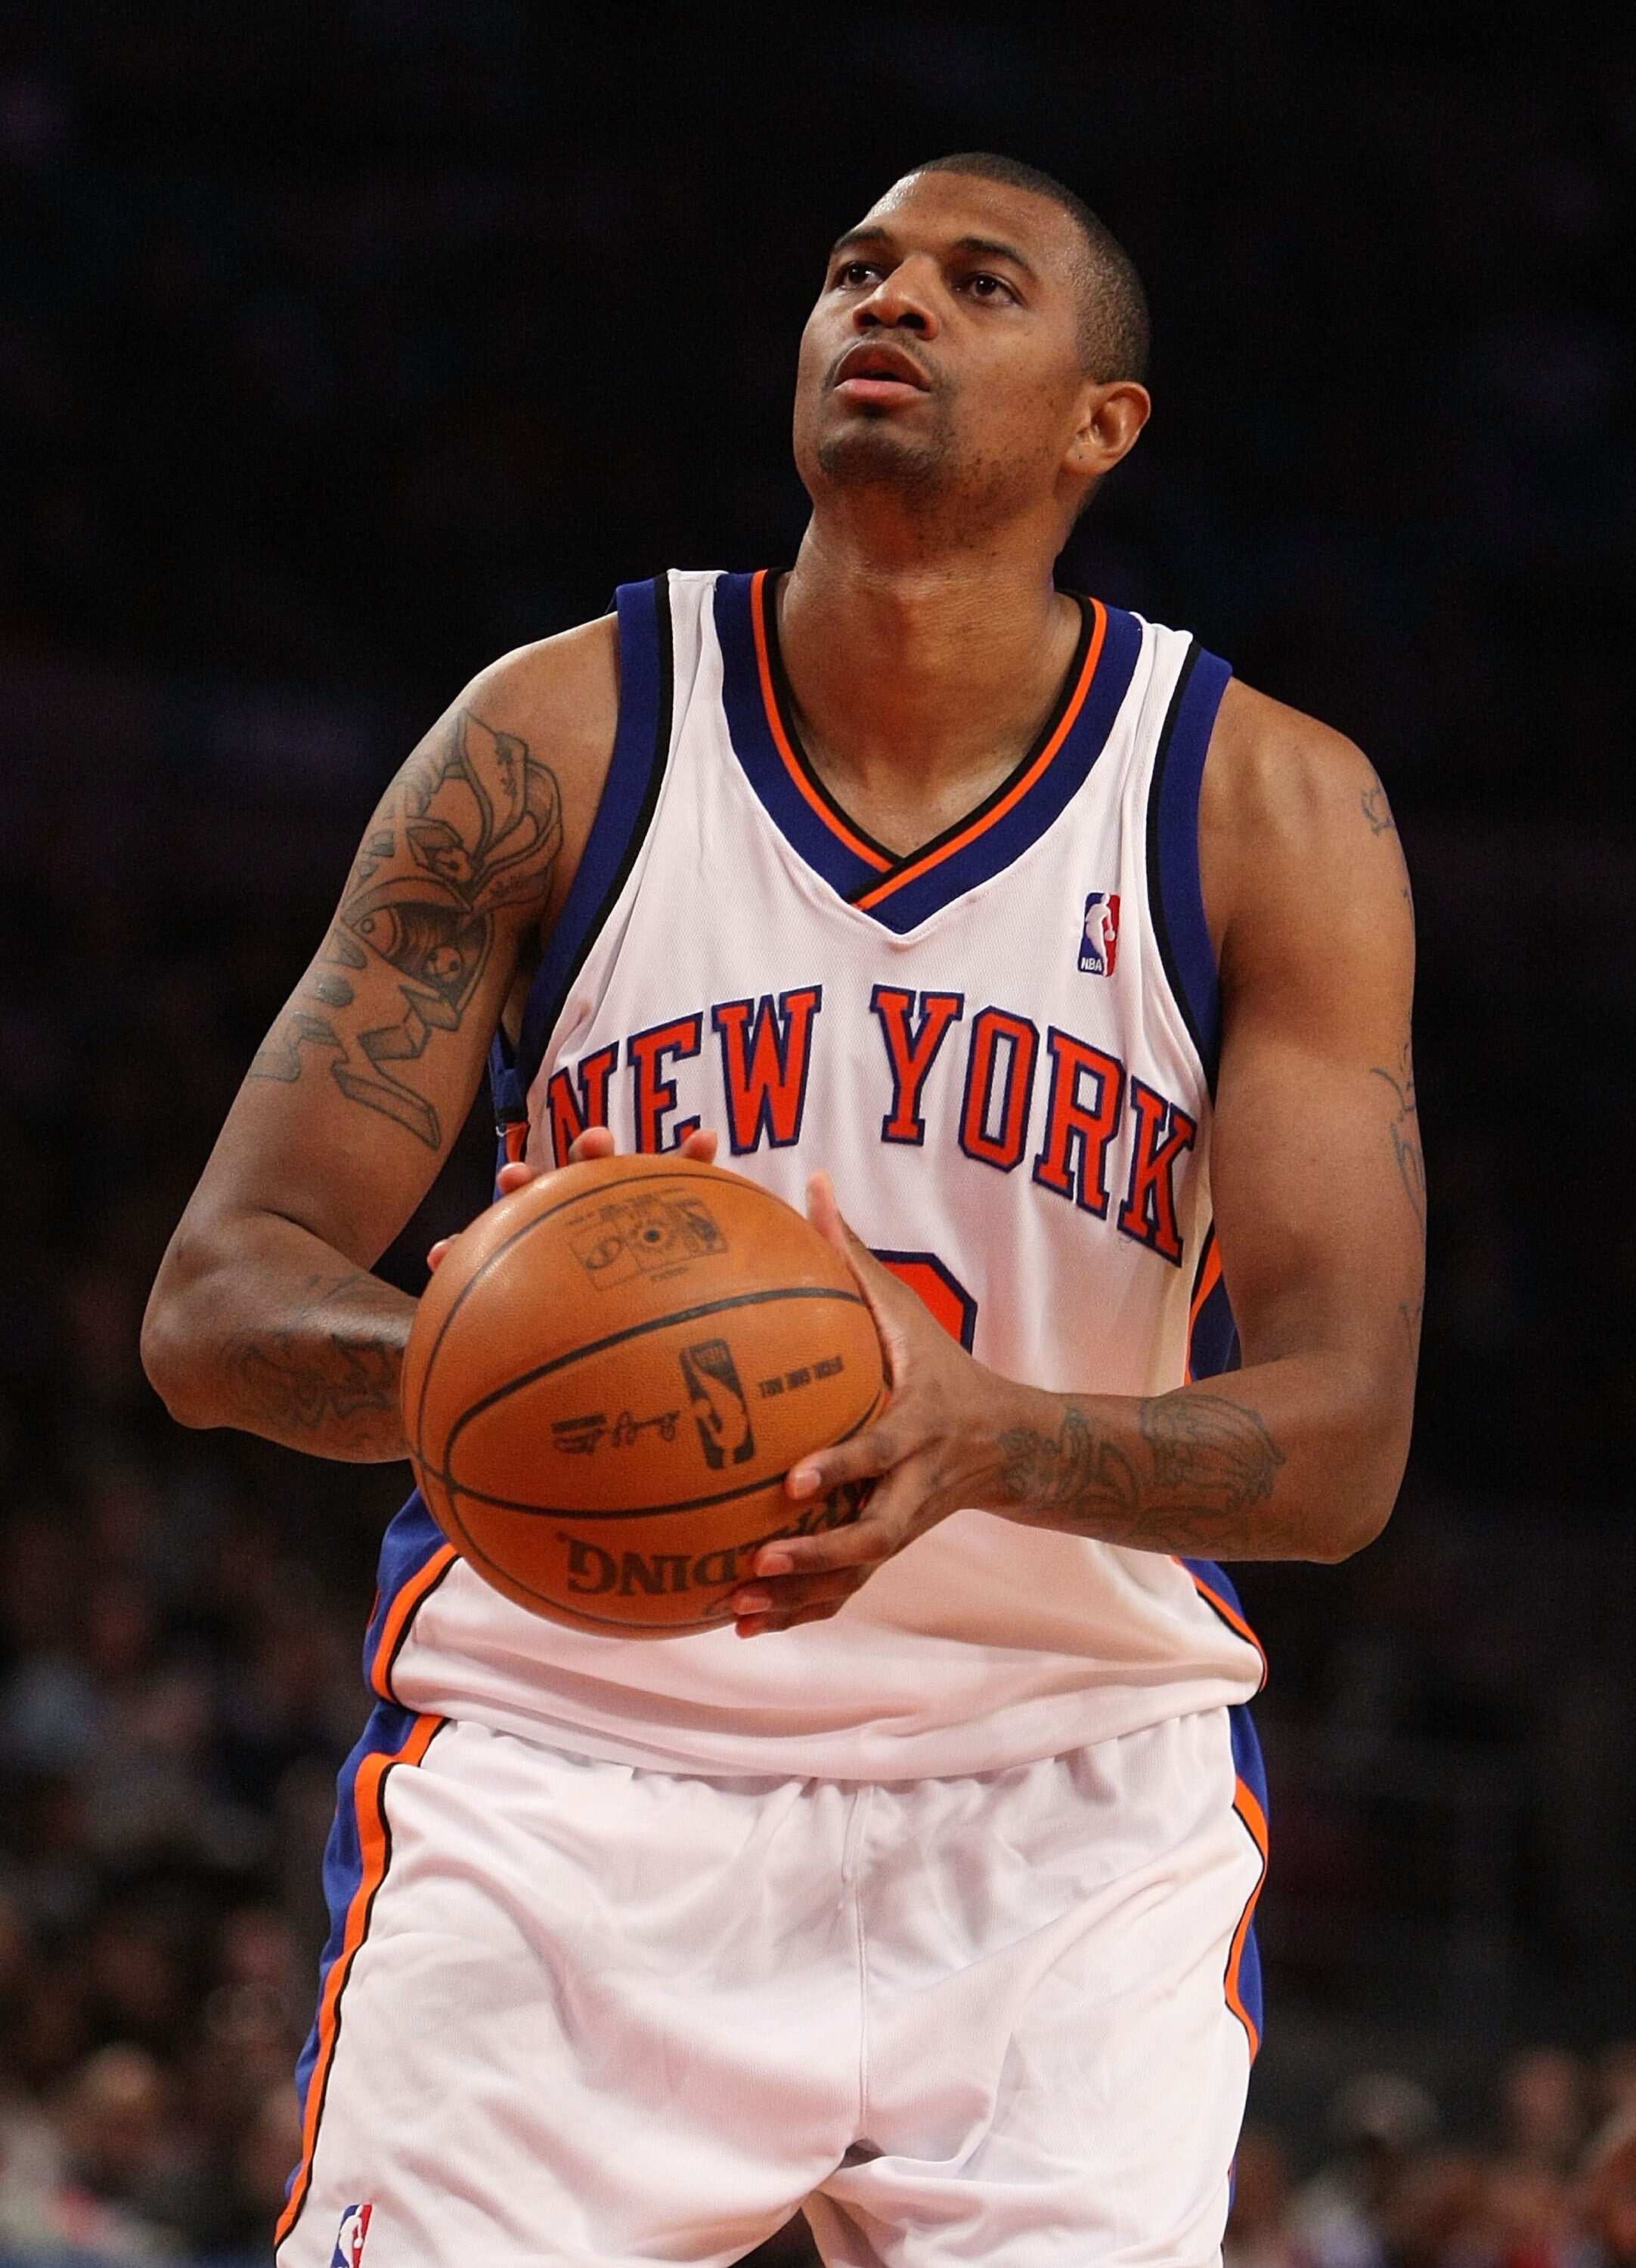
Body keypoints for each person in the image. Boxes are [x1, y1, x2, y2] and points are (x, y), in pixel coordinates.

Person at [141, 151, 1423, 2268]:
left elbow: (1341, 1442)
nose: (888, 301)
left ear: (1102, 420)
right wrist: (487, 1370)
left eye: (973, 281)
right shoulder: (557, 734)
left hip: (1061, 1804)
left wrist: (983, 1439)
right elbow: (215, 1304)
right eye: (855, 268)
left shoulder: (1262, 805)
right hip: (575, 1774)